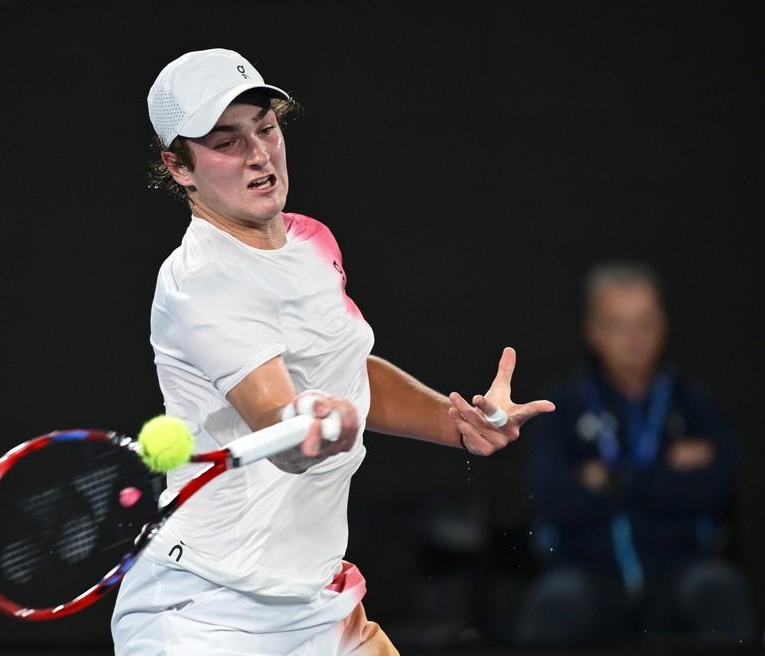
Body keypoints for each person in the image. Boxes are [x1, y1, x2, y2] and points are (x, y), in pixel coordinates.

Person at [110, 48, 555, 655]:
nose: (260, 154)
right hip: (205, 614)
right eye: (227, 142)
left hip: (313, 602)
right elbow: (280, 419)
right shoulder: (203, 282)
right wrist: (308, 427)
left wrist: (457, 424)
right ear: (179, 167)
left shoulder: (309, 240)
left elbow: (346, 367)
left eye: (265, 128)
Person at [514, 260, 757, 647]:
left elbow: (717, 489)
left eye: (645, 323)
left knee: (720, 590)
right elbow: (549, 496)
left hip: (679, 567)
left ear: (663, 326)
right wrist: (665, 473)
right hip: (590, 571)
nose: (634, 338)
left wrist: (609, 478)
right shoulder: (562, 407)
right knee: (553, 602)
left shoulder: (695, 404)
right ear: (592, 331)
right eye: (619, 325)